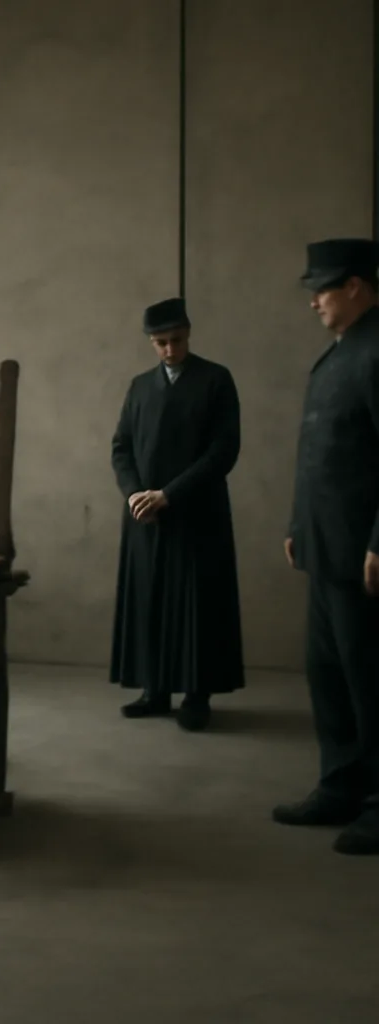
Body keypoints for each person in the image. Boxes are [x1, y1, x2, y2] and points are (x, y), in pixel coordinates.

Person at [273, 238, 379, 856]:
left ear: (358, 287)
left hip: (363, 554)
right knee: (329, 675)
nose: (314, 300)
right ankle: (339, 786)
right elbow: (320, 455)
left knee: (370, 680)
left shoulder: (376, 353)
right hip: (325, 547)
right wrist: (296, 525)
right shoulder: (338, 355)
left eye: (324, 288)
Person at [109, 297, 245, 730]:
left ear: (189, 334)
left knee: (196, 605)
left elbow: (223, 450)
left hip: (196, 511)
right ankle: (155, 690)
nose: (171, 350)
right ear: (151, 342)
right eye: (162, 342)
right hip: (144, 516)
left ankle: (196, 695)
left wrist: (169, 495)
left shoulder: (216, 380)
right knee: (150, 600)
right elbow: (121, 447)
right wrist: (134, 495)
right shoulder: (139, 387)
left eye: (178, 340)